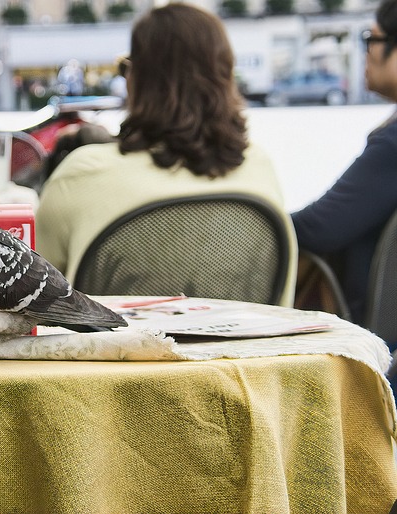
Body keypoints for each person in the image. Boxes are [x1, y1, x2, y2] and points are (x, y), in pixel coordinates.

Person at [35, 3, 298, 307]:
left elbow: (33, 303)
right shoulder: (259, 166)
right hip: (246, 355)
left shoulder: (81, 175)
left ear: (136, 81)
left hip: (112, 354)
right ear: (225, 77)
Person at [291, 0, 397, 327]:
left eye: (371, 39)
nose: (366, 52)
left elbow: (320, 228)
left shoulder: (392, 144)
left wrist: (249, 224)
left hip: (375, 346)